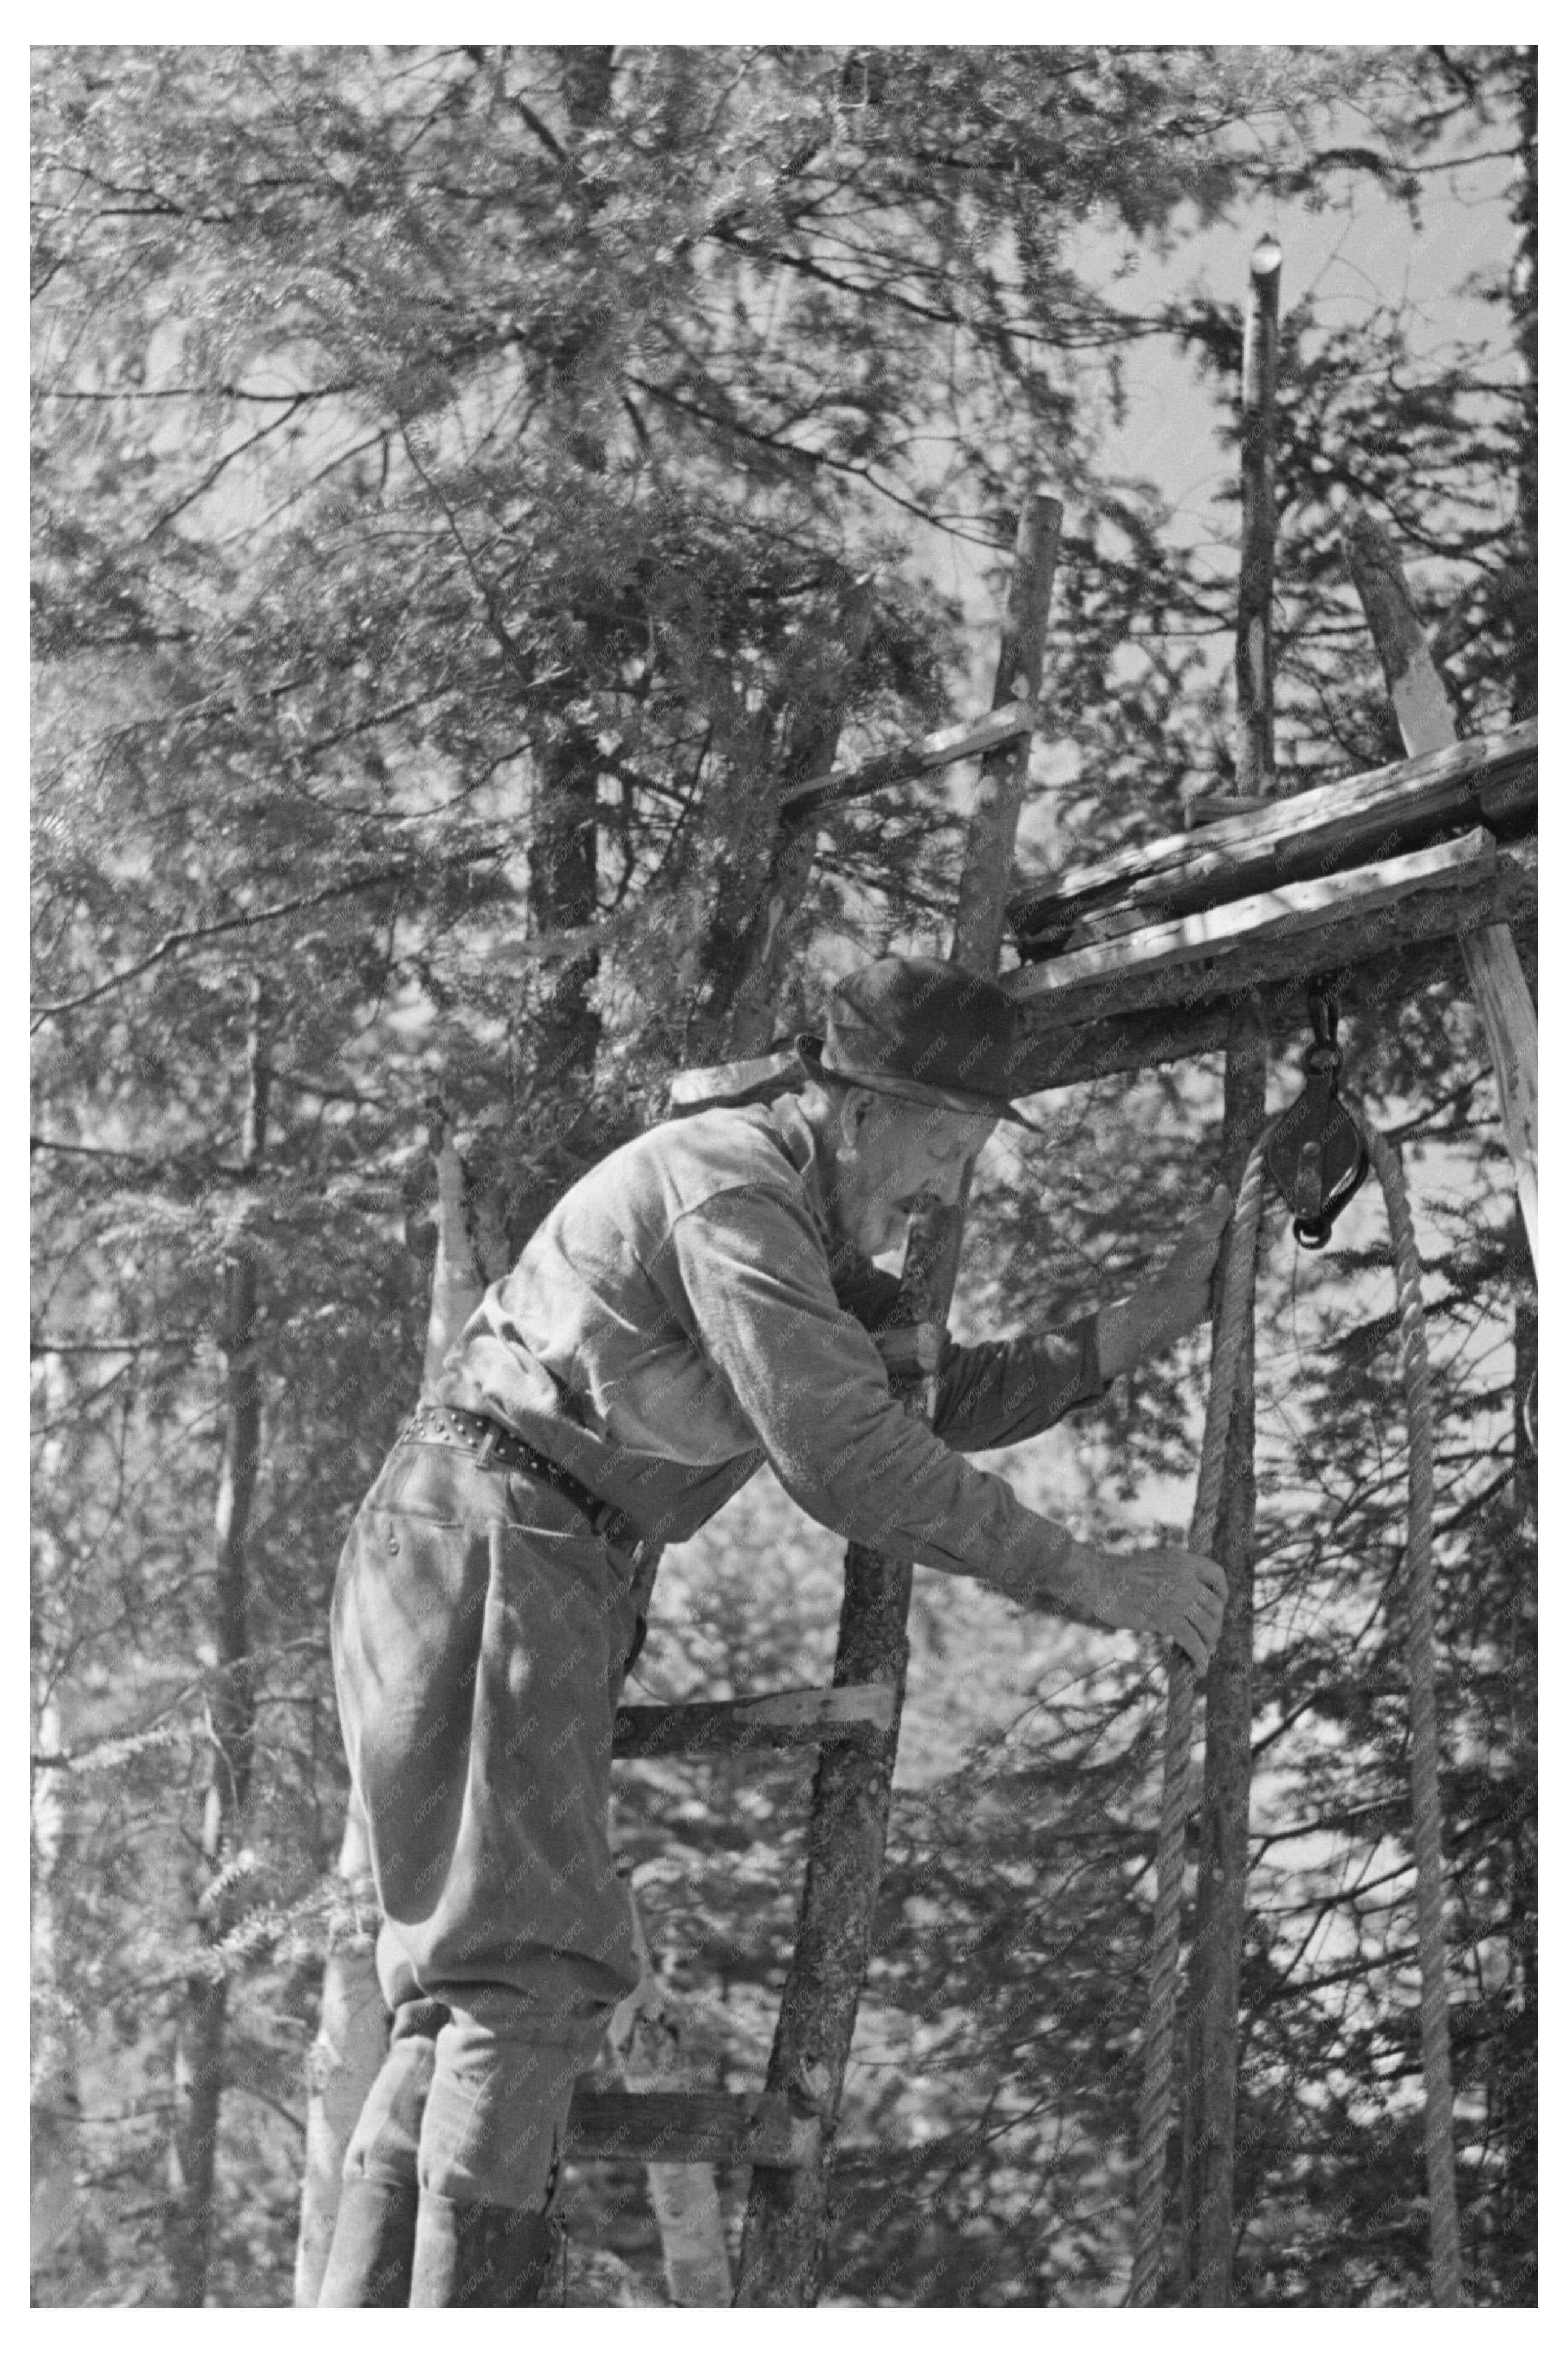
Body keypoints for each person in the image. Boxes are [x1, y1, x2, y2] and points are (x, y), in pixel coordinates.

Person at [318, 955, 1230, 2306]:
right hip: (495, 1550)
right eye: (946, 1141)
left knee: (464, 1997)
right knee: (523, 1989)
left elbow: (935, 1388)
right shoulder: (733, 1190)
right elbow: (846, 1454)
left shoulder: (794, 1237)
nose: (949, 1181)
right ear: (863, 1106)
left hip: (492, 1549)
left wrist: (1142, 1324)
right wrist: (1097, 1577)